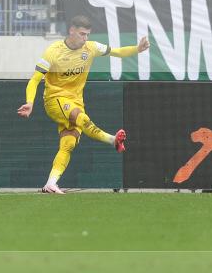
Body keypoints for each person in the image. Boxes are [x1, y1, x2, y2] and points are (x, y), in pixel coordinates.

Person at [17, 15, 150, 193]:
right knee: (81, 118)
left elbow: (116, 52)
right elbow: (34, 80)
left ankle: (50, 183)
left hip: (76, 100)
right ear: (71, 30)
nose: (85, 38)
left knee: (68, 144)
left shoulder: (91, 47)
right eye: (82, 34)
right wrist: (29, 102)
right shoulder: (53, 52)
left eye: (87, 34)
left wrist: (137, 49)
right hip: (55, 100)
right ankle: (112, 140)